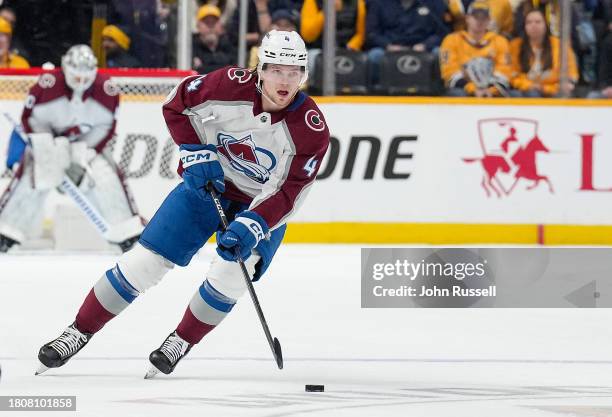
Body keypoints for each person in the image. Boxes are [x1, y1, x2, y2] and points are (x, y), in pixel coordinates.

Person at [36, 30, 330, 378]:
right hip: (207, 188)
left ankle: (181, 340)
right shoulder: (228, 86)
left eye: (294, 71)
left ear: (304, 75)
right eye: (277, 70)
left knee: (232, 275)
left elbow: (289, 191)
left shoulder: (311, 129)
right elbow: (178, 103)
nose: (285, 81)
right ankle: (78, 330)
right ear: (260, 69)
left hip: (261, 205)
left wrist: (252, 223)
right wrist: (194, 150)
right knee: (145, 262)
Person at [0, 45, 143, 253]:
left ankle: (127, 234)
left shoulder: (106, 90)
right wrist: (46, 148)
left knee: (105, 174)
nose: (81, 84)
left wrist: (85, 154)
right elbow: (30, 119)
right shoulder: (47, 85)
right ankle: (5, 233)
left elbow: (105, 127)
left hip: (84, 144)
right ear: (66, 68)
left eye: (86, 78)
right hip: (48, 141)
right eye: (76, 77)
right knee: (32, 175)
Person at [365, 0, 449, 86]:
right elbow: (371, 33)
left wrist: (425, 45)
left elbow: (442, 32)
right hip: (390, 48)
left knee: (440, 54)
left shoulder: (434, 3)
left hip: (423, 47)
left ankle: (439, 91)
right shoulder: (379, 3)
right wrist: (387, 45)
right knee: (374, 56)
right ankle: (376, 92)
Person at [439, 1, 513, 96]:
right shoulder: (451, 40)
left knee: (512, 95)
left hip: (493, 91)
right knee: (458, 93)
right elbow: (449, 73)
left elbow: (504, 71)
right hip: (463, 90)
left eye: (483, 18)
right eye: (476, 17)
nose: (479, 21)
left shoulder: (500, 41)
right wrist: (473, 89)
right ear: (467, 18)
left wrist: (490, 91)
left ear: (489, 20)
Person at [510, 8, 578, 97]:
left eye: (538, 22)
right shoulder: (515, 45)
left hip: (553, 91)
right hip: (526, 91)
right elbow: (513, 75)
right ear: (524, 26)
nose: (533, 25)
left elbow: (571, 74)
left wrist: (546, 88)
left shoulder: (560, 45)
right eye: (529, 22)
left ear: (546, 25)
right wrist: (529, 85)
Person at [192, 5, 236, 74]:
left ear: (220, 25)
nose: (210, 26)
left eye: (214, 22)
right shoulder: (190, 47)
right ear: (198, 25)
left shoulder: (229, 45)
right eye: (206, 22)